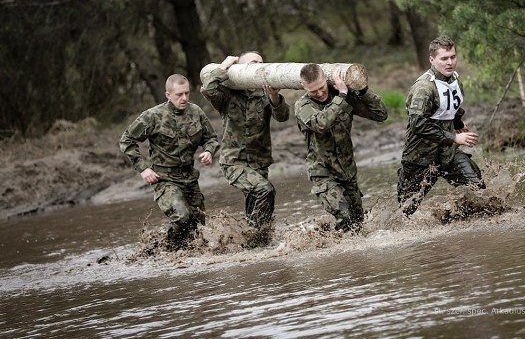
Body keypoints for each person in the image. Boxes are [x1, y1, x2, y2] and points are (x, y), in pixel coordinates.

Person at [119, 74, 220, 249]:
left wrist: (209, 151)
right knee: (182, 216)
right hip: (164, 179)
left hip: (190, 179)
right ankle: (169, 249)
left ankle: (187, 261)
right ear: (168, 95)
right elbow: (127, 140)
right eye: (179, 94)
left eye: (187, 93)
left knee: (198, 228)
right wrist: (143, 169)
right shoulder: (153, 116)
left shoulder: (196, 112)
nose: (184, 98)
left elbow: (211, 138)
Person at [200, 51, 290, 233]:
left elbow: (283, 117)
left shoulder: (265, 94)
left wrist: (274, 97)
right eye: (253, 62)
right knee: (265, 190)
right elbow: (208, 89)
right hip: (234, 162)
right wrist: (224, 66)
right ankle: (257, 237)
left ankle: (256, 239)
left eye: (261, 62)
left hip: (259, 162)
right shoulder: (227, 94)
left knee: (259, 199)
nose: (258, 65)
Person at [397, 36, 484, 216]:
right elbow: (417, 124)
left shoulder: (455, 80)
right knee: (405, 213)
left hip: (448, 154)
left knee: (479, 191)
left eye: (453, 57)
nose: (450, 62)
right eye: (444, 58)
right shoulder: (424, 88)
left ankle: (462, 223)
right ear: (432, 60)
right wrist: (454, 137)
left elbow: (452, 107)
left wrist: (459, 124)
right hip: (420, 158)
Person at [296, 63, 388, 232]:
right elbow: (321, 124)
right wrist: (342, 96)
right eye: (313, 91)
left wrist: (363, 90)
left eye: (322, 87)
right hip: (323, 172)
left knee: (358, 222)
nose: (319, 93)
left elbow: (380, 114)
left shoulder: (343, 96)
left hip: (347, 171)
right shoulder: (303, 106)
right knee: (344, 216)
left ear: (327, 79)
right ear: (304, 88)